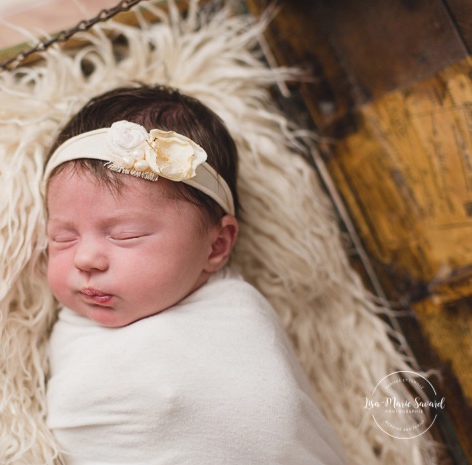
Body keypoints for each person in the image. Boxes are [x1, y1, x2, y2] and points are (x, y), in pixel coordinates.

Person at [43, 85, 346, 464]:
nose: (85, 258)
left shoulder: (235, 316)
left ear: (216, 246)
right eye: (63, 237)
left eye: (126, 235)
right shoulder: (69, 329)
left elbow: (272, 420)